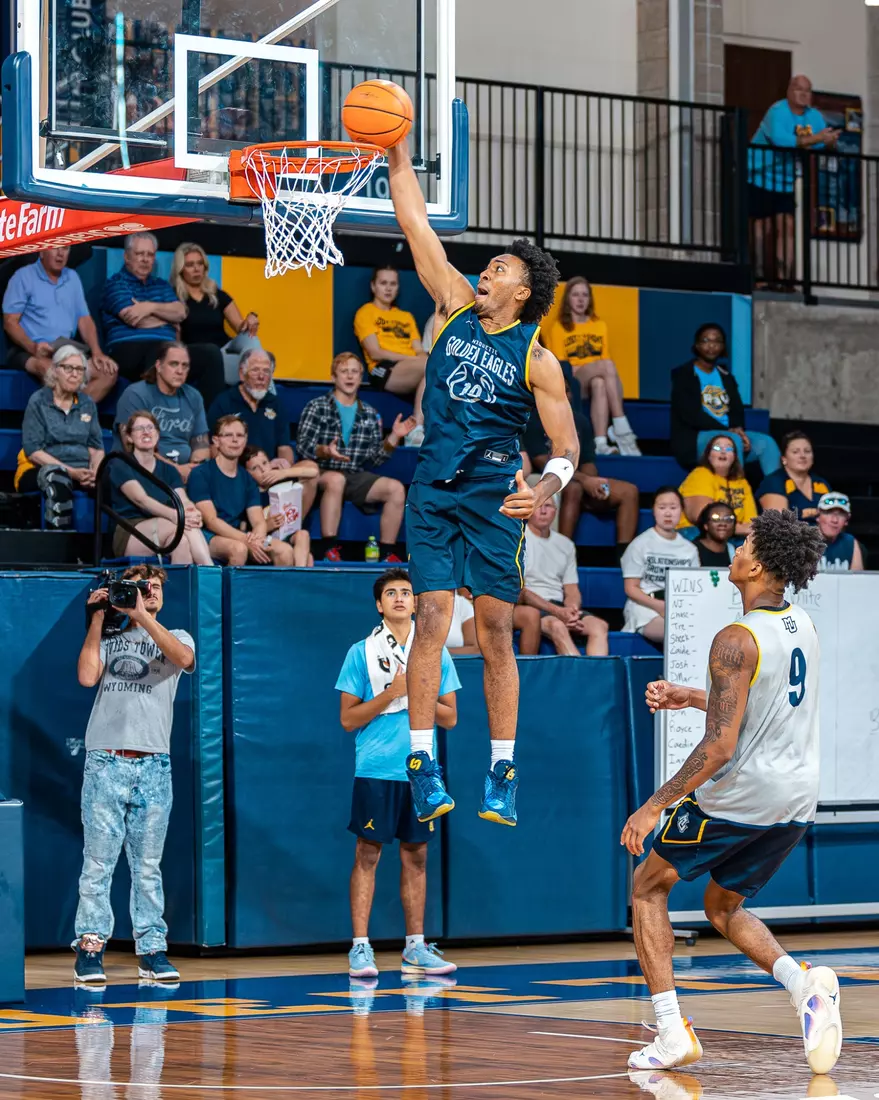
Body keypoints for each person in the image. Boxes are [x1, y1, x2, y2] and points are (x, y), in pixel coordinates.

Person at [388, 138, 579, 828]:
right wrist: (396, 155)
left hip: (495, 492)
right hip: (435, 484)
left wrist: (549, 487)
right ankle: (420, 763)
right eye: (486, 265)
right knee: (431, 616)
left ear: (521, 290)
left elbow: (566, 447)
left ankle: (501, 767)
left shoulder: (540, 359)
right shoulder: (451, 306)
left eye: (496, 268)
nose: (482, 272)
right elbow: (415, 226)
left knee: (495, 628)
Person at [621, 510, 840, 1076]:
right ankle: (804, 987)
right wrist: (692, 695)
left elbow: (719, 748)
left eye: (745, 543)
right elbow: (757, 709)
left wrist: (653, 806)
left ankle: (670, 1032)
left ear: (759, 564)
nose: (736, 549)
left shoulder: (735, 638)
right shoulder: (802, 625)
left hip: (743, 794)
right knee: (722, 905)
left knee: (647, 887)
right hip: (796, 798)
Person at [337, 568, 460, 980]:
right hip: (375, 768)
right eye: (391, 593)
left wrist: (415, 694)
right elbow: (348, 720)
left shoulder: (435, 652)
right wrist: (391, 693)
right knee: (368, 853)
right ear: (379, 604)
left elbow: (450, 718)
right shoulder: (361, 652)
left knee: (417, 855)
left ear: (418, 601)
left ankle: (415, 948)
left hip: (421, 771)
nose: (401, 598)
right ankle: (360, 947)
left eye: (407, 592)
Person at [75, 564, 195, 983]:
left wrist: (142, 614)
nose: (149, 592)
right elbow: (87, 676)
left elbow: (184, 660)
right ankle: (90, 947)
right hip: (107, 759)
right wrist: (97, 619)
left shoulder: (177, 636)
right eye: (141, 587)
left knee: (147, 865)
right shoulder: (110, 638)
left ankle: (152, 948)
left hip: (153, 764)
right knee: (99, 862)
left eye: (155, 587)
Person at [296, 352, 415, 561]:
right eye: (344, 371)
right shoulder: (317, 406)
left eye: (354, 372)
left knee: (395, 488)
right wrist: (325, 451)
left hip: (354, 474)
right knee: (336, 479)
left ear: (361, 378)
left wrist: (394, 437)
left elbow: (374, 459)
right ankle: (328, 548)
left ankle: (387, 553)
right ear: (334, 377)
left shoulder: (369, 413)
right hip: (321, 471)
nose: (350, 376)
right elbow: (303, 447)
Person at [522, 390, 640, 554]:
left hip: (578, 479)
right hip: (549, 483)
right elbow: (542, 462)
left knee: (629, 491)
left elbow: (588, 461)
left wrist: (593, 482)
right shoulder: (533, 420)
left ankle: (624, 557)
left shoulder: (579, 421)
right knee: (574, 488)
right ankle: (560, 553)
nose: (564, 394)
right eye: (559, 388)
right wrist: (585, 481)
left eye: (568, 390)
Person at [748, 75, 839, 285]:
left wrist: (830, 143)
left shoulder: (814, 116)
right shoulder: (777, 111)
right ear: (789, 91)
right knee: (762, 226)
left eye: (807, 90)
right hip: (759, 174)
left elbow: (818, 145)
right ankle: (759, 276)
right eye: (799, 89)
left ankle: (784, 279)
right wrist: (818, 138)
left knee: (787, 225)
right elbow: (781, 141)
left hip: (785, 180)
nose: (803, 93)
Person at [2, 245, 118, 402]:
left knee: (108, 372)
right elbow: (10, 323)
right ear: (41, 251)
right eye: (55, 248)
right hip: (28, 350)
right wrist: (33, 347)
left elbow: (84, 320)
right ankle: (69, 419)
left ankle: (72, 417)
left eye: (65, 249)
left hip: (65, 349)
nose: (60, 254)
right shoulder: (23, 277)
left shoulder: (73, 278)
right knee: (53, 371)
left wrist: (97, 352)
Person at [544, 276, 640, 455]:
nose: (580, 300)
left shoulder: (599, 325)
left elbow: (604, 359)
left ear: (589, 299)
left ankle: (601, 442)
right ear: (568, 299)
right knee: (606, 366)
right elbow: (562, 367)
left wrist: (593, 368)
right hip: (573, 381)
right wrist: (591, 367)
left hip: (594, 378)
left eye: (584, 295)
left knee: (600, 382)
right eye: (575, 295)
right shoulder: (559, 327)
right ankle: (621, 427)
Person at [670, 323, 781, 476]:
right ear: (697, 345)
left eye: (717, 341)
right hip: (695, 440)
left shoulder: (725, 375)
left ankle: (778, 495)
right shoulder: (684, 375)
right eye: (706, 340)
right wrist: (729, 432)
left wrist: (740, 431)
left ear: (722, 346)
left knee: (766, 443)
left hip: (729, 434)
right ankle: (736, 493)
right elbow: (692, 415)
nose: (712, 346)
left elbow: (737, 410)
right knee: (730, 441)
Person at [14, 345, 104, 528]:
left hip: (83, 470)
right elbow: (34, 451)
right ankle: (61, 542)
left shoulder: (87, 403)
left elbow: (96, 446)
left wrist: (95, 472)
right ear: (55, 370)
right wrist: (71, 472)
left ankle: (105, 546)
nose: (74, 374)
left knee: (114, 478)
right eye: (68, 368)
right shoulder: (38, 401)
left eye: (79, 369)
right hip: (40, 468)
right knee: (58, 478)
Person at [111, 411, 213, 564]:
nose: (146, 432)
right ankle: (210, 572)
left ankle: (181, 587)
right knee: (181, 528)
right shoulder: (121, 464)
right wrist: (177, 516)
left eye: (150, 428)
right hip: (131, 529)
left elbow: (182, 500)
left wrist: (192, 512)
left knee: (182, 543)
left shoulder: (169, 470)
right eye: (139, 429)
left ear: (158, 434)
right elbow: (141, 500)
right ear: (130, 437)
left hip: (169, 525)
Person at [187, 415, 290, 566]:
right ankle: (228, 591)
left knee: (284, 550)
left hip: (241, 536)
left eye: (240, 435)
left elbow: (259, 521)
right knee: (239, 549)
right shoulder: (201, 474)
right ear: (216, 441)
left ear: (245, 439)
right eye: (228, 435)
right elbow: (211, 521)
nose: (235, 440)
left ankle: (276, 590)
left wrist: (256, 539)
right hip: (208, 536)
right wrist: (246, 540)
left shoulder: (247, 478)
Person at [522, 496, 610, 656]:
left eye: (548, 506)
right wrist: (557, 612)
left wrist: (572, 611)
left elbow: (571, 589)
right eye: (538, 506)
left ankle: (597, 677)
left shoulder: (566, 545)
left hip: (559, 605)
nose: (543, 511)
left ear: (555, 511)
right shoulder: (518, 541)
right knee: (558, 626)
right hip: (532, 607)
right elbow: (520, 591)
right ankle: (581, 676)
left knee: (599, 626)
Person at [113, 343, 210, 483]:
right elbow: (132, 447)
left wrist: (195, 469)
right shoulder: (135, 394)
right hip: (142, 473)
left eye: (185, 366)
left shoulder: (193, 396)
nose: (180, 371)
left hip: (187, 476)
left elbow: (201, 444)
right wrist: (176, 470)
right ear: (158, 366)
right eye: (174, 364)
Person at [100, 233, 190, 383]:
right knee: (159, 353)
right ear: (127, 257)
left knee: (210, 354)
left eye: (150, 254)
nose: (145, 259)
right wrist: (168, 321)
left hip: (165, 347)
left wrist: (149, 307)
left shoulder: (162, 285)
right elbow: (134, 319)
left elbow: (181, 312)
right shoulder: (116, 284)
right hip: (128, 349)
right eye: (140, 254)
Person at [353, 266, 427, 444]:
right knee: (430, 366)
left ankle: (416, 430)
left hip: (413, 367)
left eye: (393, 284)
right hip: (383, 368)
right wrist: (417, 359)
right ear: (373, 286)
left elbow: (418, 349)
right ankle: (415, 428)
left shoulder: (406, 316)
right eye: (383, 283)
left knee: (435, 367)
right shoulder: (365, 312)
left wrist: (423, 358)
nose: (388, 288)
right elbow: (375, 352)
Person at [171, 241, 261, 385]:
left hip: (224, 349)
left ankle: (268, 401)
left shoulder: (216, 294)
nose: (196, 269)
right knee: (257, 368)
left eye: (200, 264)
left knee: (252, 340)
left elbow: (240, 327)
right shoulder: (173, 297)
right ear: (180, 269)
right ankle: (263, 394)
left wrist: (251, 317)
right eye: (190, 265)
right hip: (198, 354)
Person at [621, 488, 699, 644]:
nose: (668, 513)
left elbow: (694, 587)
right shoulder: (640, 544)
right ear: (654, 511)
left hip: (680, 607)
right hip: (645, 607)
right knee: (678, 632)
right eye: (662, 508)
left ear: (681, 511)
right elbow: (631, 588)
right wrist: (660, 606)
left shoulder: (690, 549)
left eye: (673, 507)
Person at [242, 445, 315, 568]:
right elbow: (244, 531)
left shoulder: (281, 486)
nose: (263, 470)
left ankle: (300, 575)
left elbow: (313, 471)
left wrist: (284, 473)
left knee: (303, 535)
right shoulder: (250, 494)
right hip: (265, 542)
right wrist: (267, 525)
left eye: (265, 463)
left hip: (287, 536)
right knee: (298, 554)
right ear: (246, 473)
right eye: (255, 468)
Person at [678, 433, 757, 537]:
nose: (723, 451)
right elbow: (702, 518)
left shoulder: (741, 482)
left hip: (732, 536)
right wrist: (741, 529)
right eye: (717, 447)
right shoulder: (700, 474)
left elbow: (752, 523)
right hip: (696, 534)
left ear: (734, 457)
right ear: (708, 455)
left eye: (729, 449)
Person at [757, 431, 830, 525]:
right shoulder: (773, 482)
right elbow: (780, 525)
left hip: (822, 537)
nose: (803, 456)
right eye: (795, 452)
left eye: (807, 451)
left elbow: (836, 517)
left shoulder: (821, 483)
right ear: (784, 459)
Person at [445, 588, 542, 657]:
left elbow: (519, 591)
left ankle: (526, 673)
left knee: (529, 615)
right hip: (469, 602)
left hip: (488, 603)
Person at [816, 492, 863, 572]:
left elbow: (858, 581)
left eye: (841, 514)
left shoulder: (850, 542)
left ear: (847, 520)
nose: (834, 520)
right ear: (818, 515)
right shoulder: (803, 541)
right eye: (828, 512)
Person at [693, 501, 737, 567]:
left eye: (728, 519)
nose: (723, 524)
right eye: (715, 519)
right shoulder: (691, 550)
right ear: (705, 525)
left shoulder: (736, 552)